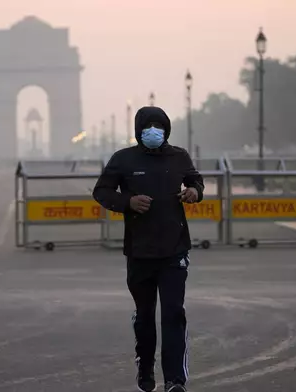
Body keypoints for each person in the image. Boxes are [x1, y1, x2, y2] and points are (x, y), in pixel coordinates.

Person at [92, 106, 204, 392]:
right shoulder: (123, 159)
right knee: (145, 316)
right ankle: (145, 364)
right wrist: (127, 202)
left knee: (173, 313)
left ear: (167, 129)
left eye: (159, 126)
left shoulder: (179, 156)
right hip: (140, 251)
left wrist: (194, 192)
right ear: (137, 129)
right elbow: (101, 191)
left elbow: (195, 181)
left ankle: (175, 380)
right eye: (147, 126)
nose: (153, 131)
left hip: (174, 249)